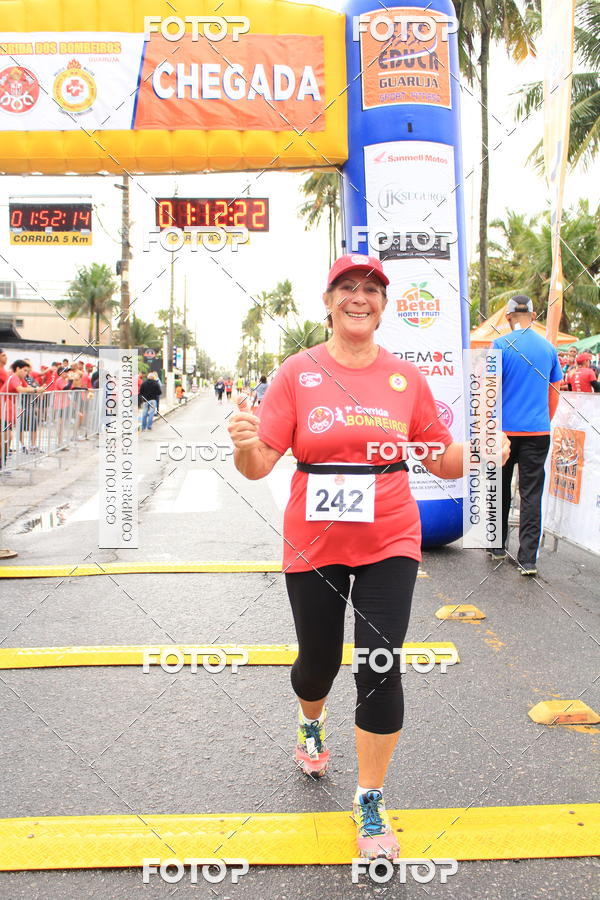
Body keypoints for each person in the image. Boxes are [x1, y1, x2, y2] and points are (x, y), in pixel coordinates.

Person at [228, 253, 509, 861]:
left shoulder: (405, 380)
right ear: (328, 301)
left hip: (389, 536)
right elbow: (258, 467)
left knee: (380, 664)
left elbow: (439, 459)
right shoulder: (295, 374)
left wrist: (483, 451)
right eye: (347, 288)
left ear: (384, 306)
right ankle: (310, 721)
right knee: (319, 662)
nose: (360, 298)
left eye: (372, 289)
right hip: (315, 539)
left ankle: (370, 798)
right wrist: (244, 447)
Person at [490, 295, 563, 576]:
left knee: (500, 487)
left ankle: (496, 546)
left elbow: (490, 391)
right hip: (538, 430)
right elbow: (554, 392)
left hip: (504, 433)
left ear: (508, 318)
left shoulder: (500, 345)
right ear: (533, 316)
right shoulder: (548, 348)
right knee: (531, 493)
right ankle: (528, 559)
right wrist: (544, 419)